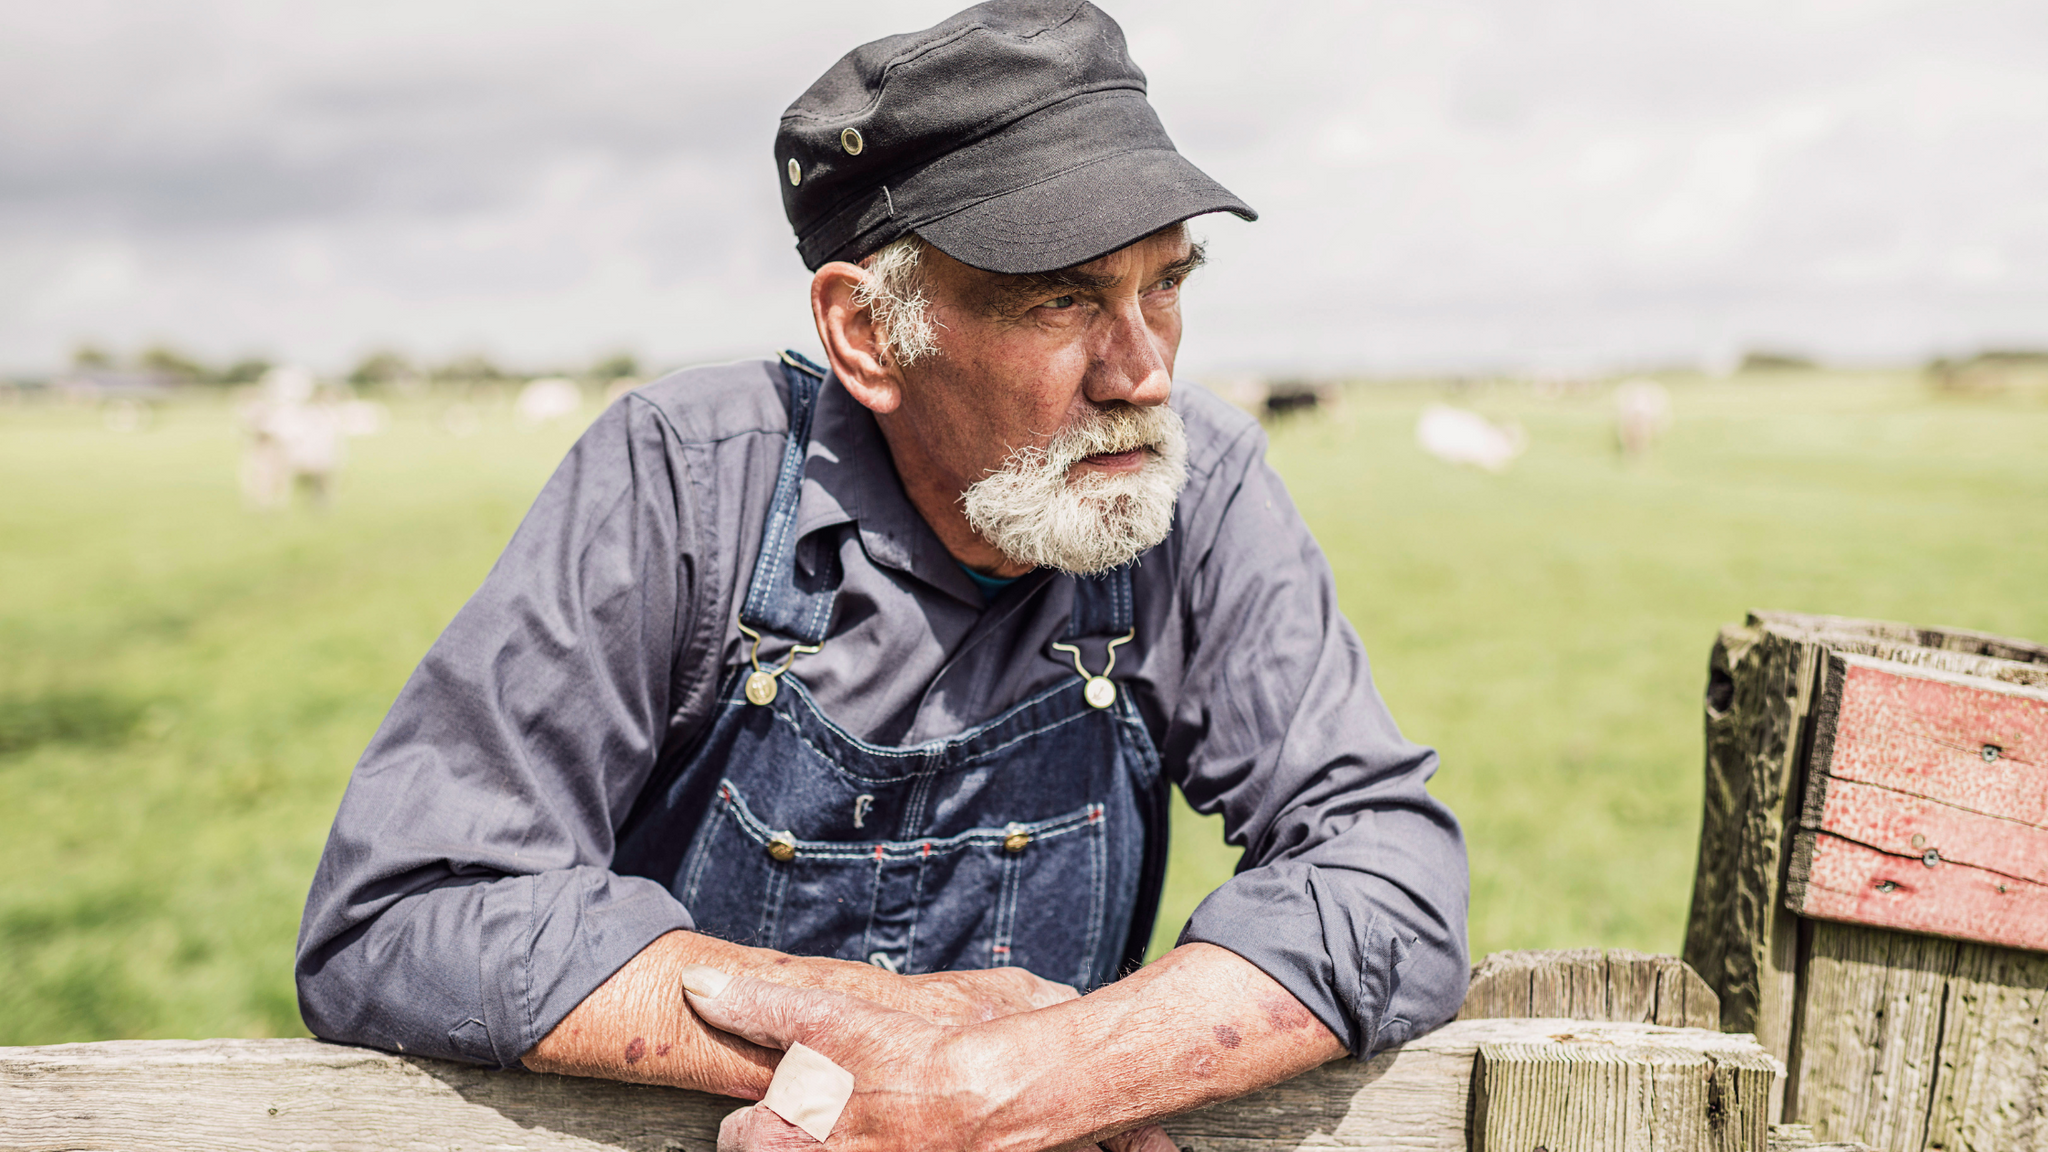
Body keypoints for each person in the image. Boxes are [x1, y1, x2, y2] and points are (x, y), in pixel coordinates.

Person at [295, 2, 1469, 1148]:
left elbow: (1387, 874)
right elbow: (404, 918)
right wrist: (867, 1038)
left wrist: (1034, 1080)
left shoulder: (1192, 488)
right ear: (865, 332)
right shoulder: (683, 480)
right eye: (1061, 297)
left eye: (1165, 283)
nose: (1143, 371)